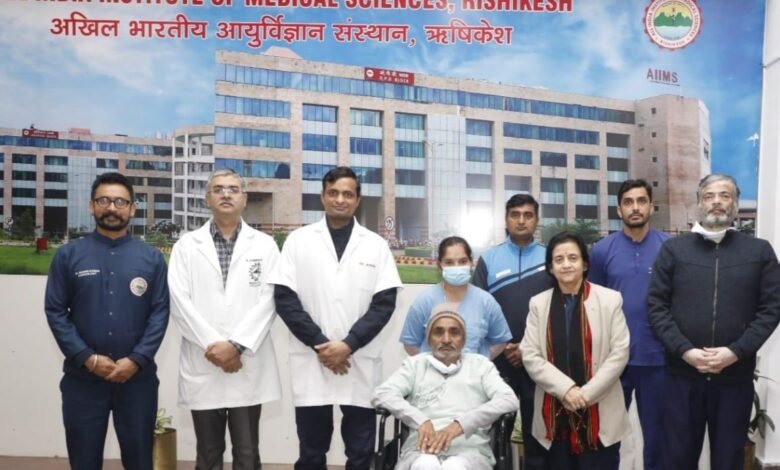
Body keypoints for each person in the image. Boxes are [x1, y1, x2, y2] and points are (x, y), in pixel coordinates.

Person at [269, 166, 403, 470]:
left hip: (359, 360)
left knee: (360, 451)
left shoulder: (375, 245)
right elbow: (285, 300)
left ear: (357, 200)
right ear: (323, 196)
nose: (340, 200)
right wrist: (322, 345)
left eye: (347, 194)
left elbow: (384, 304)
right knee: (311, 451)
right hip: (312, 359)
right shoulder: (298, 241)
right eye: (333, 193)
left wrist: (349, 344)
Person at [648, 174, 780, 470]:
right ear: (699, 203)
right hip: (682, 376)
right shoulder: (673, 250)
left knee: (728, 459)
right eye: (709, 196)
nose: (717, 202)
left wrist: (735, 352)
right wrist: (685, 351)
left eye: (725, 195)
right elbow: (657, 307)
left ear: (736, 204)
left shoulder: (759, 252)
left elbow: (771, 309)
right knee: (677, 458)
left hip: (735, 378)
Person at [44, 172, 169, 470]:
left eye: (120, 202)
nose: (112, 208)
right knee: (84, 461)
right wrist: (87, 358)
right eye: (104, 200)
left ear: (132, 209)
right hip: (82, 381)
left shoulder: (151, 258)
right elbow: (56, 311)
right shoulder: (68, 256)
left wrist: (136, 360)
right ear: (91, 206)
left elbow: (160, 313)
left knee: (140, 461)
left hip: (137, 381)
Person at [168, 168, 281, 469]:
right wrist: (215, 347)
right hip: (204, 360)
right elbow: (179, 302)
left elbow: (270, 300)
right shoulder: (186, 246)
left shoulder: (265, 245)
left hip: (247, 363)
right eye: (218, 189)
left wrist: (236, 346)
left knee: (247, 452)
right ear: (207, 199)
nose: (226, 194)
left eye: (233, 189)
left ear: (244, 198)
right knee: (208, 453)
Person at [521, 231, 629, 469]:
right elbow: (530, 355)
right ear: (551, 268)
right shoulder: (538, 304)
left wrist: (585, 395)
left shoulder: (610, 300)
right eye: (559, 259)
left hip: (600, 416)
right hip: (554, 416)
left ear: (585, 264)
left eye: (573, 258)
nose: (566, 264)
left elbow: (619, 353)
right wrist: (567, 390)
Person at [373, 305, 519, 470]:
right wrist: (421, 421)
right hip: (420, 450)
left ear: (464, 339)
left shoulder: (480, 365)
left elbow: (509, 400)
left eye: (454, 332)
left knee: (454, 466)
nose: (446, 339)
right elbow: (382, 394)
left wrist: (460, 425)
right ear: (429, 339)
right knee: (426, 464)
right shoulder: (415, 365)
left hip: (470, 451)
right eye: (438, 332)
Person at [587, 179, 669, 470]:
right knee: (607, 437)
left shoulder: (669, 247)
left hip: (658, 359)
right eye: (628, 202)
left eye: (641, 201)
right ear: (619, 209)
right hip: (613, 361)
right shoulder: (601, 250)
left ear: (651, 206)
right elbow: (593, 304)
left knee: (658, 438)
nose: (635, 207)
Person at [472, 194, 552, 469]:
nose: (521, 220)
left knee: (538, 436)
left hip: (540, 361)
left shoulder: (549, 258)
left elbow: (556, 310)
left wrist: (527, 348)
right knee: (494, 436)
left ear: (536, 220)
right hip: (498, 361)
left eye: (528, 215)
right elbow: (479, 310)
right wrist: (503, 344)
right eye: (515, 214)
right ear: (506, 219)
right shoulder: (489, 259)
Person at [400, 236, 512, 359]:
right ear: (440, 264)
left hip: (473, 371)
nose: (457, 267)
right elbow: (410, 343)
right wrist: (430, 365)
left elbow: (500, 341)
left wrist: (479, 363)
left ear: (471, 262)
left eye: (463, 261)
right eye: (449, 262)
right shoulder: (425, 300)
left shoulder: (486, 301)